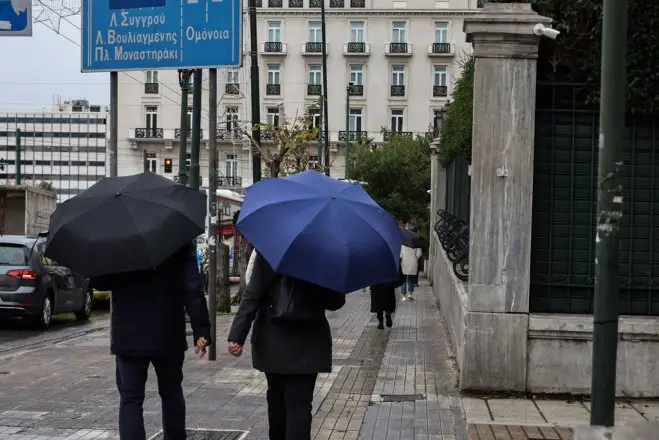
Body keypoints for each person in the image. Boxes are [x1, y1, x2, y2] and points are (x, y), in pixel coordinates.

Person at [91, 243, 212, 440]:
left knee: (131, 400)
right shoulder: (178, 236)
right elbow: (192, 287)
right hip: (168, 331)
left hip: (129, 334)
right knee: (172, 392)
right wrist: (201, 330)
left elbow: (101, 282)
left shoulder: (118, 238)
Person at [227, 250, 346, 440]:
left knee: (277, 402)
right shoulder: (324, 253)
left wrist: (237, 335)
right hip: (309, 341)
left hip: (273, 339)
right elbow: (336, 301)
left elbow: (253, 294)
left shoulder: (271, 249)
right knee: (300, 406)